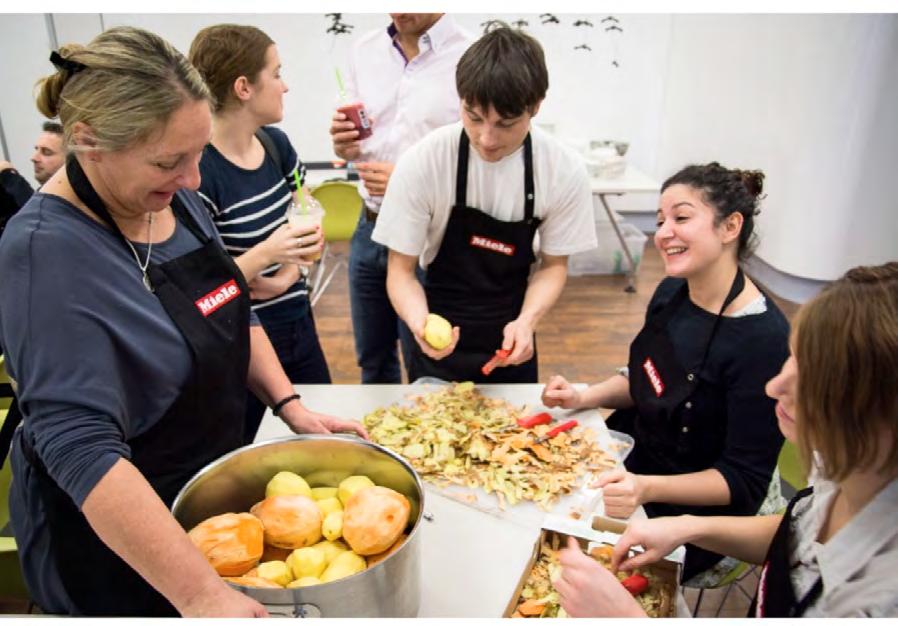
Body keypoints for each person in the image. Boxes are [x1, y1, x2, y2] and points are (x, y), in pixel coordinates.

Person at [0, 26, 365, 617]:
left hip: (202, 507)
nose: (195, 178)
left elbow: (229, 311)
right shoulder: (47, 252)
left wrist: (288, 403)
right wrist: (198, 593)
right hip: (117, 547)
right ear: (88, 143)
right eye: (171, 160)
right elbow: (79, 445)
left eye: (197, 153)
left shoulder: (177, 201)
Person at [556, 262, 898, 618]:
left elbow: (742, 476)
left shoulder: (878, 599)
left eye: (814, 377)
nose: (774, 387)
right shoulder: (845, 469)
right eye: (794, 360)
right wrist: (689, 528)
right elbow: (796, 538)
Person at [542, 162, 789, 581]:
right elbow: (647, 379)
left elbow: (741, 479)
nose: (663, 232)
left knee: (569, 576)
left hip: (688, 513)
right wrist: (585, 397)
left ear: (730, 227)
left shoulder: (763, 341)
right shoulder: (672, 290)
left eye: (681, 217)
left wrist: (647, 487)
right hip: (629, 461)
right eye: (660, 221)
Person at [372, 24, 596, 384]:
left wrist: (527, 323)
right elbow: (400, 271)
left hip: (511, 334)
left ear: (535, 107)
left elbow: (554, 265)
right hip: (438, 328)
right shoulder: (425, 161)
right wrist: (418, 322)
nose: (487, 139)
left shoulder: (561, 169)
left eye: (506, 124)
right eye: (474, 118)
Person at [188, 24, 331, 445]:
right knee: (253, 450)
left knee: (318, 435)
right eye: (277, 73)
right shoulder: (201, 173)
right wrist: (267, 252)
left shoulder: (276, 146)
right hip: (243, 346)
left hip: (298, 322)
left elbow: (309, 227)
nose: (285, 86)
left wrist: (286, 275)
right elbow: (202, 288)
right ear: (244, 87)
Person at [330, 13, 473, 383]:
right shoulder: (364, 50)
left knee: (426, 360)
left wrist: (408, 182)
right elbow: (354, 145)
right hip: (371, 225)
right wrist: (343, 146)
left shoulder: (469, 55)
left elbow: (481, 156)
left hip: (431, 235)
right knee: (372, 361)